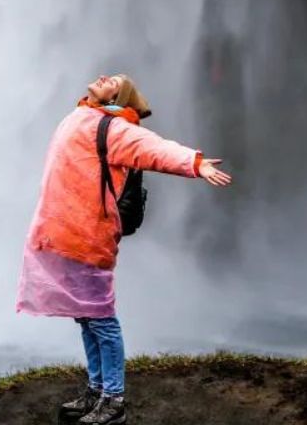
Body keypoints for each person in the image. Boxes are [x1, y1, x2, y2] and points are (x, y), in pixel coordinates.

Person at [16, 74, 232, 424]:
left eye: (114, 81)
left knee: (101, 319)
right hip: (64, 232)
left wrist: (195, 162)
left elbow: (155, 149)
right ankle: (96, 390)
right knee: (85, 317)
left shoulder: (115, 129)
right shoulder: (82, 116)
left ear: (120, 97)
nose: (104, 77)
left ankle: (113, 401)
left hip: (89, 235)